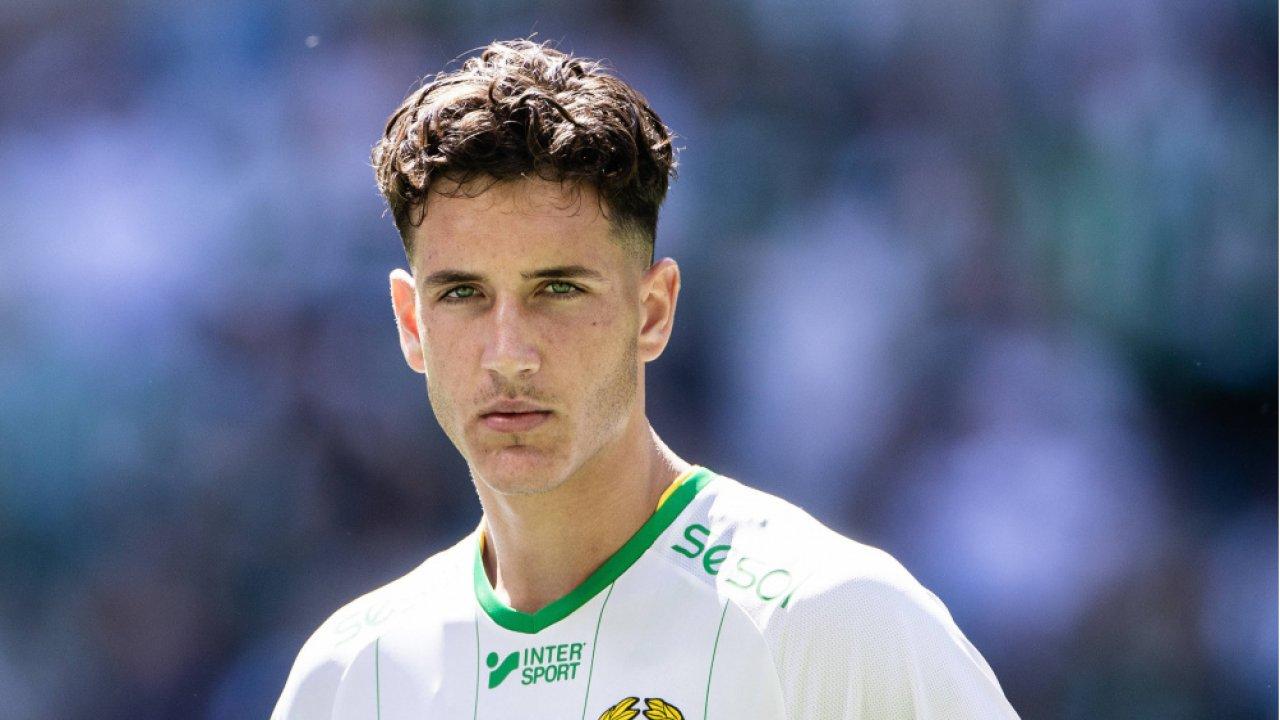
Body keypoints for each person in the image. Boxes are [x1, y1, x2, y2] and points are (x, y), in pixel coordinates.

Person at [271, 38, 1019, 719]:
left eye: (558, 289)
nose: (508, 353)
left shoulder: (830, 621)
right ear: (411, 324)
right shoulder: (346, 680)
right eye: (463, 293)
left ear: (653, 312)